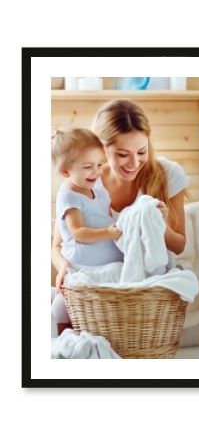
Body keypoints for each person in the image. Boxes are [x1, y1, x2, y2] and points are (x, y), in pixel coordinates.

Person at [52, 100, 188, 327]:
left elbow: (179, 245)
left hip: (143, 292)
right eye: (123, 154)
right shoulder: (85, 180)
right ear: (101, 149)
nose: (134, 163)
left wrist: (157, 224)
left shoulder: (167, 174)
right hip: (97, 290)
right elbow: (59, 244)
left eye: (142, 151)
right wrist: (63, 268)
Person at [51, 126, 123, 333]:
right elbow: (78, 233)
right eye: (88, 166)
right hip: (81, 269)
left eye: (99, 164)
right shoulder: (69, 196)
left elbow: (106, 215)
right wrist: (109, 233)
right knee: (63, 315)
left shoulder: (95, 188)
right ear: (66, 171)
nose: (97, 171)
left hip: (103, 271)